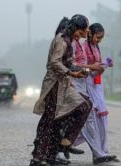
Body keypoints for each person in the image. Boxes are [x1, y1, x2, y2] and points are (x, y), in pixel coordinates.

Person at [30, 14, 92, 166]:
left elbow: (68, 63)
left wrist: (81, 71)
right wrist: (72, 73)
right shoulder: (61, 39)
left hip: (64, 85)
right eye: (81, 32)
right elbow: (55, 63)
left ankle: (64, 143)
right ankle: (38, 158)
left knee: (84, 106)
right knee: (50, 120)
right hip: (54, 86)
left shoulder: (70, 40)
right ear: (75, 29)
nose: (82, 35)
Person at [82, 23, 119, 165]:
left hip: (97, 84)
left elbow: (96, 64)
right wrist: (94, 68)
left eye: (101, 38)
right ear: (90, 33)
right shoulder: (83, 47)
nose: (99, 41)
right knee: (91, 120)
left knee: (102, 119)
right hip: (87, 85)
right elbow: (79, 66)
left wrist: (105, 64)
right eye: (98, 37)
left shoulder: (96, 46)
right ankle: (98, 153)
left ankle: (103, 151)